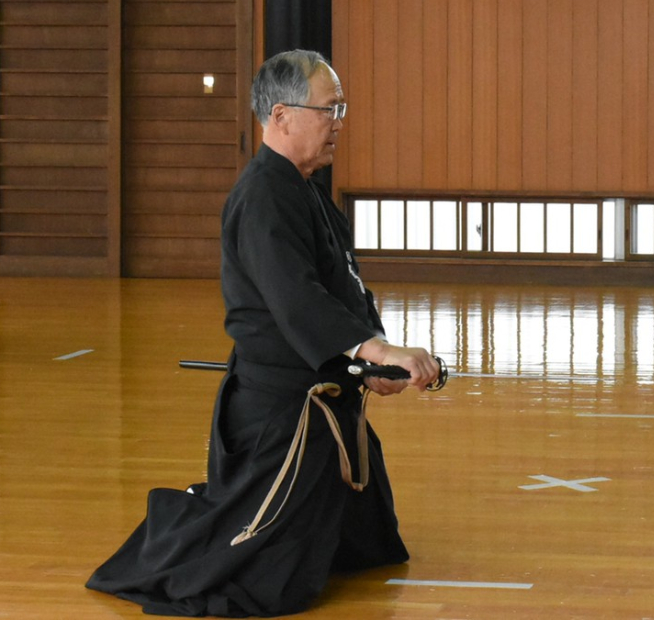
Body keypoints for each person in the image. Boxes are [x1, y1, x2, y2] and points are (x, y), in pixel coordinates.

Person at [87, 50, 440, 617]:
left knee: (371, 545)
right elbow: (297, 300)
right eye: (330, 109)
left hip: (324, 392)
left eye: (340, 108)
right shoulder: (262, 196)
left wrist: (371, 366)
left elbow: (342, 288)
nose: (339, 123)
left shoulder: (304, 192)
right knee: (265, 579)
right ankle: (172, 535)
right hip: (282, 411)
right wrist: (372, 349)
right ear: (281, 115)